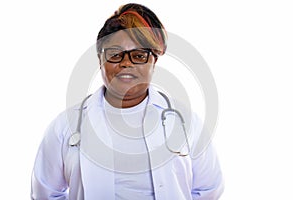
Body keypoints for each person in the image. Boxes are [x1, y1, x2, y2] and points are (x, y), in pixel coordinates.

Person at [31, 3, 224, 200]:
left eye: (139, 55)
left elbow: (209, 189)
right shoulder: (65, 126)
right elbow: (45, 193)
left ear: (153, 62)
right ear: (100, 60)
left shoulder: (186, 122)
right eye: (115, 54)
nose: (126, 63)